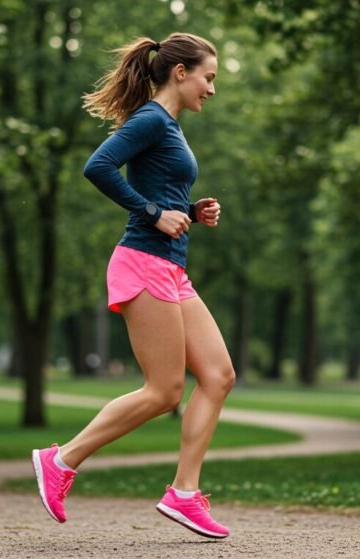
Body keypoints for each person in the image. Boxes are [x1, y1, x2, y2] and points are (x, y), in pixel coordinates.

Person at [31, 32, 234, 539]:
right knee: (164, 391)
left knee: (218, 375)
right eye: (209, 77)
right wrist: (153, 213)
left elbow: (158, 193)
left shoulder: (169, 126)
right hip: (143, 263)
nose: (212, 88)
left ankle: (183, 494)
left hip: (170, 266)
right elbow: (96, 166)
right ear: (181, 72)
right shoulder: (150, 120)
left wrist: (188, 211)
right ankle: (61, 459)